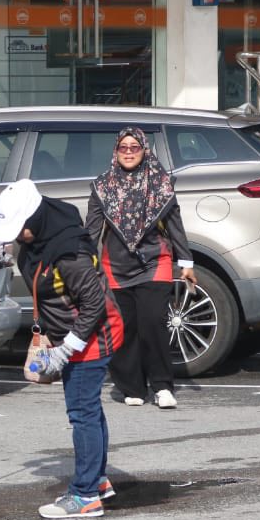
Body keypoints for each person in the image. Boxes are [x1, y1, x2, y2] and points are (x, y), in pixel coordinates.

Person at [0, 179, 124, 519]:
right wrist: (1, 252)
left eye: (19, 229)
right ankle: (98, 480)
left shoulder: (70, 253)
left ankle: (84, 496)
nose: (18, 236)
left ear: (35, 218)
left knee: (82, 414)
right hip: (73, 334)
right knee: (90, 411)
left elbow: (93, 304)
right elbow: (36, 270)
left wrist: (66, 350)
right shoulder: (42, 233)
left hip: (91, 338)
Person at [84, 127, 194, 410]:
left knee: (153, 323)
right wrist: (83, 265)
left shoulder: (161, 183)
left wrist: (186, 262)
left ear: (145, 150)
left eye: (135, 147)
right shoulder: (102, 186)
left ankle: (162, 386)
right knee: (125, 328)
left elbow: (174, 224)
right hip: (115, 266)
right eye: (124, 147)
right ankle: (132, 386)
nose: (129, 152)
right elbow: (92, 231)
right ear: (115, 151)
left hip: (154, 262)